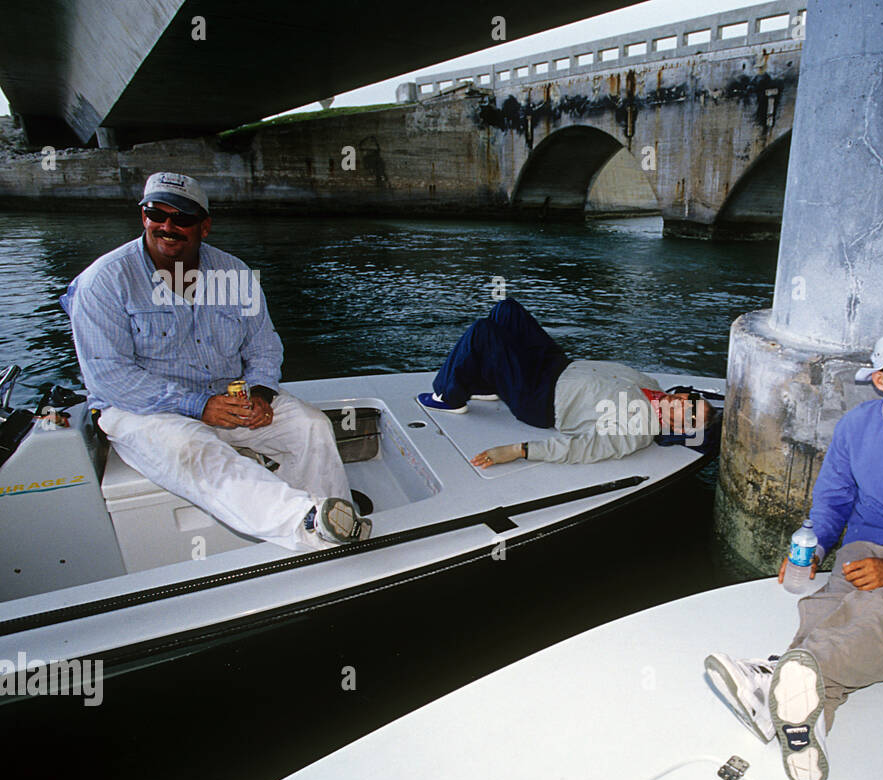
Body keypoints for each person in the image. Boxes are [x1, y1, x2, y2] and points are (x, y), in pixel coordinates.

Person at [705, 327, 883, 780]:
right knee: (827, 607)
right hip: (862, 548)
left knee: (882, 613)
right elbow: (833, 500)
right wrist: (813, 547)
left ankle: (774, 677)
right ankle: (808, 722)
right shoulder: (856, 426)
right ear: (880, 381)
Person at [63, 171, 369, 550]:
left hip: (225, 397)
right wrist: (198, 406)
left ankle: (335, 514)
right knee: (196, 450)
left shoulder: (235, 272)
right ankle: (308, 526)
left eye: (183, 218)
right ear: (143, 217)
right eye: (155, 214)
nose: (167, 226)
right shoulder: (103, 282)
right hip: (140, 410)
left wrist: (260, 392)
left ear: (204, 226)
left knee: (311, 426)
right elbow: (108, 376)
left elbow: (264, 346)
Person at [418, 298, 720, 466]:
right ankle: (492, 383)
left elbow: (584, 449)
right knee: (507, 311)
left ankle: (449, 396)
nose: (682, 403)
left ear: (680, 428)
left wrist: (517, 451)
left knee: (485, 331)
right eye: (688, 401)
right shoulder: (651, 383)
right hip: (556, 365)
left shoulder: (638, 431)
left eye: (688, 415)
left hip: (540, 399)